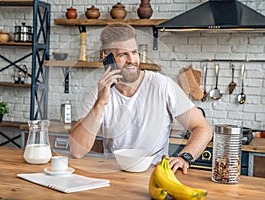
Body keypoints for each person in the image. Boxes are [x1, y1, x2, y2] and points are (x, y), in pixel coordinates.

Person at [69, 23, 213, 174]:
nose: (132, 60)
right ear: (106, 58)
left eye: (134, 52)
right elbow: (77, 151)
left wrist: (184, 157)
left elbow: (203, 128)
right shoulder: (98, 94)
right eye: (123, 54)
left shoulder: (162, 85)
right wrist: (100, 104)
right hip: (115, 176)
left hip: (156, 174)